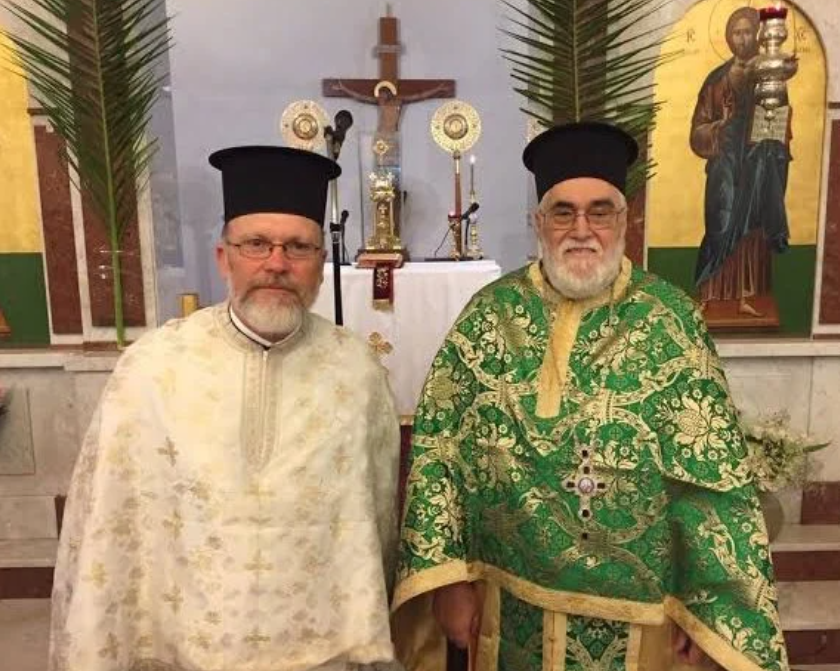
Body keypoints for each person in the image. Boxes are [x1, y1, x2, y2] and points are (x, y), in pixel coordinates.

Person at [392, 123, 788, 671]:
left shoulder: (669, 320)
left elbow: (711, 480)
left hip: (642, 617)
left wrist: (706, 611)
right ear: (539, 222)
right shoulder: (488, 316)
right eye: (563, 212)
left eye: (600, 211)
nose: (582, 229)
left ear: (625, 220)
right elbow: (438, 457)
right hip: (508, 604)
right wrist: (448, 581)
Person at [50, 146, 402, 671]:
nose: (277, 264)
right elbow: (108, 522)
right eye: (256, 244)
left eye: (298, 247)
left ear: (320, 267)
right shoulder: (153, 368)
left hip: (324, 647)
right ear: (224, 257)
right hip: (184, 648)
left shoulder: (356, 372)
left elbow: (376, 521)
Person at [690, 7, 791, 318]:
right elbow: (697, 131)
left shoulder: (771, 77)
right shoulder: (716, 81)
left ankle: (747, 296)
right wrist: (721, 127)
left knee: (752, 231)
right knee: (719, 224)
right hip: (724, 168)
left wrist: (771, 129)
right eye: (737, 32)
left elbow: (781, 121)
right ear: (728, 37)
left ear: (758, 36)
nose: (743, 38)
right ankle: (709, 292)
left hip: (757, 166)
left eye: (748, 31)